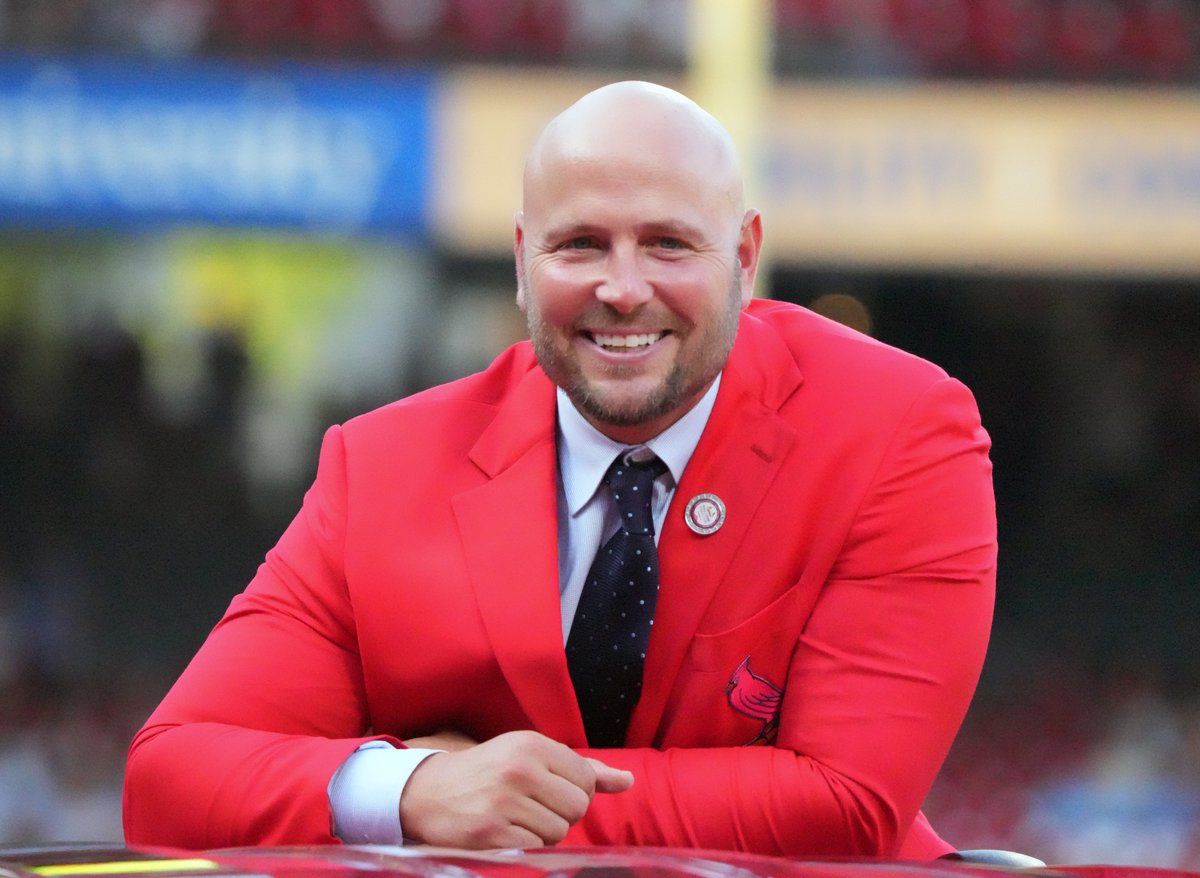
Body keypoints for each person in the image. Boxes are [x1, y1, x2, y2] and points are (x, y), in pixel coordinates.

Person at [123, 81, 995, 858]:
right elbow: (169, 779)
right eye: (579, 244)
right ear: (520, 259)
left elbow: (847, 809)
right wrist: (414, 788)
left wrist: (497, 807)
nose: (622, 288)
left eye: (667, 245)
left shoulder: (900, 431)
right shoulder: (381, 466)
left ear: (743, 254)